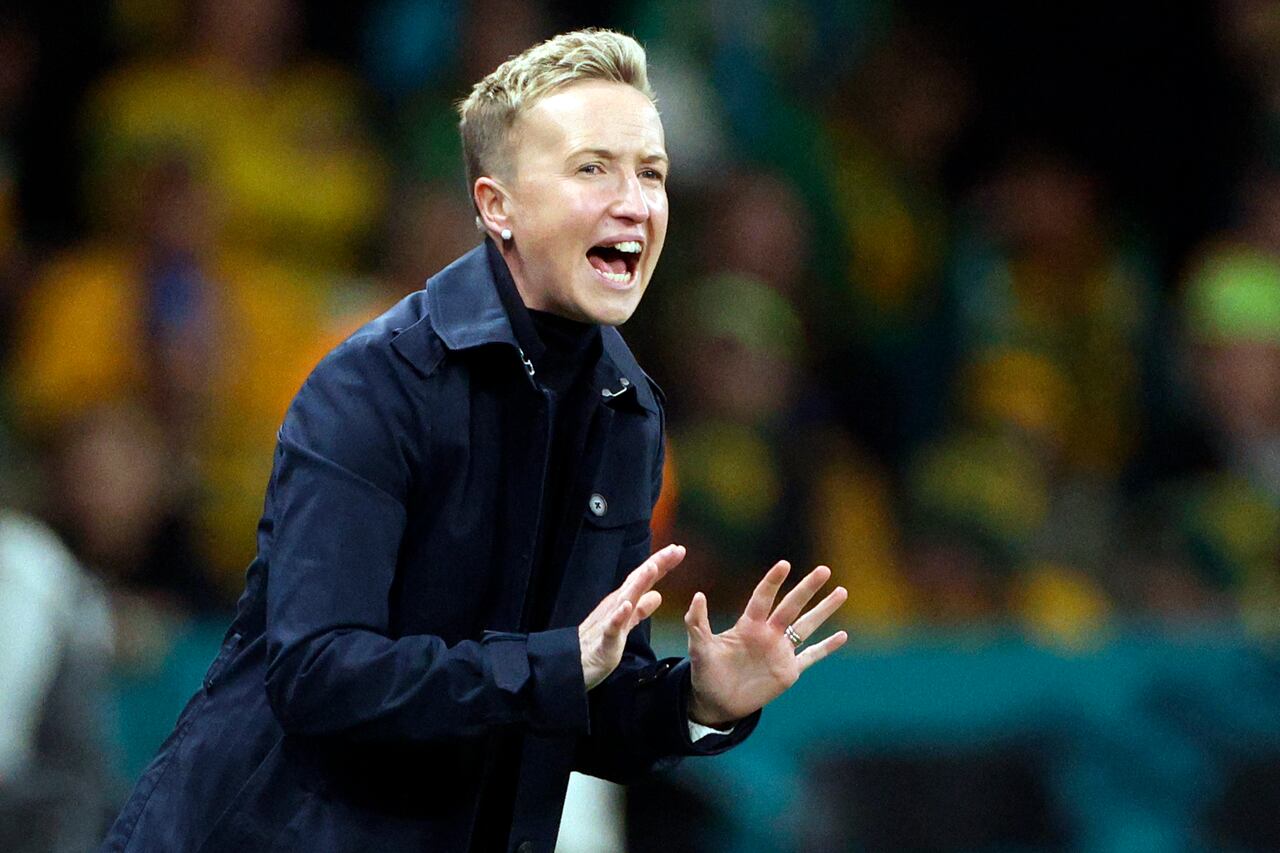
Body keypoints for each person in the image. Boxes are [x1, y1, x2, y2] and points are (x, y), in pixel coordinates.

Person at [99, 29, 848, 852]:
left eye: (652, 172)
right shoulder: (372, 385)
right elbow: (318, 673)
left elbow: (579, 700)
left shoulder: (626, 409)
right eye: (592, 168)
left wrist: (696, 699)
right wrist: (555, 667)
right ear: (499, 206)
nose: (634, 201)